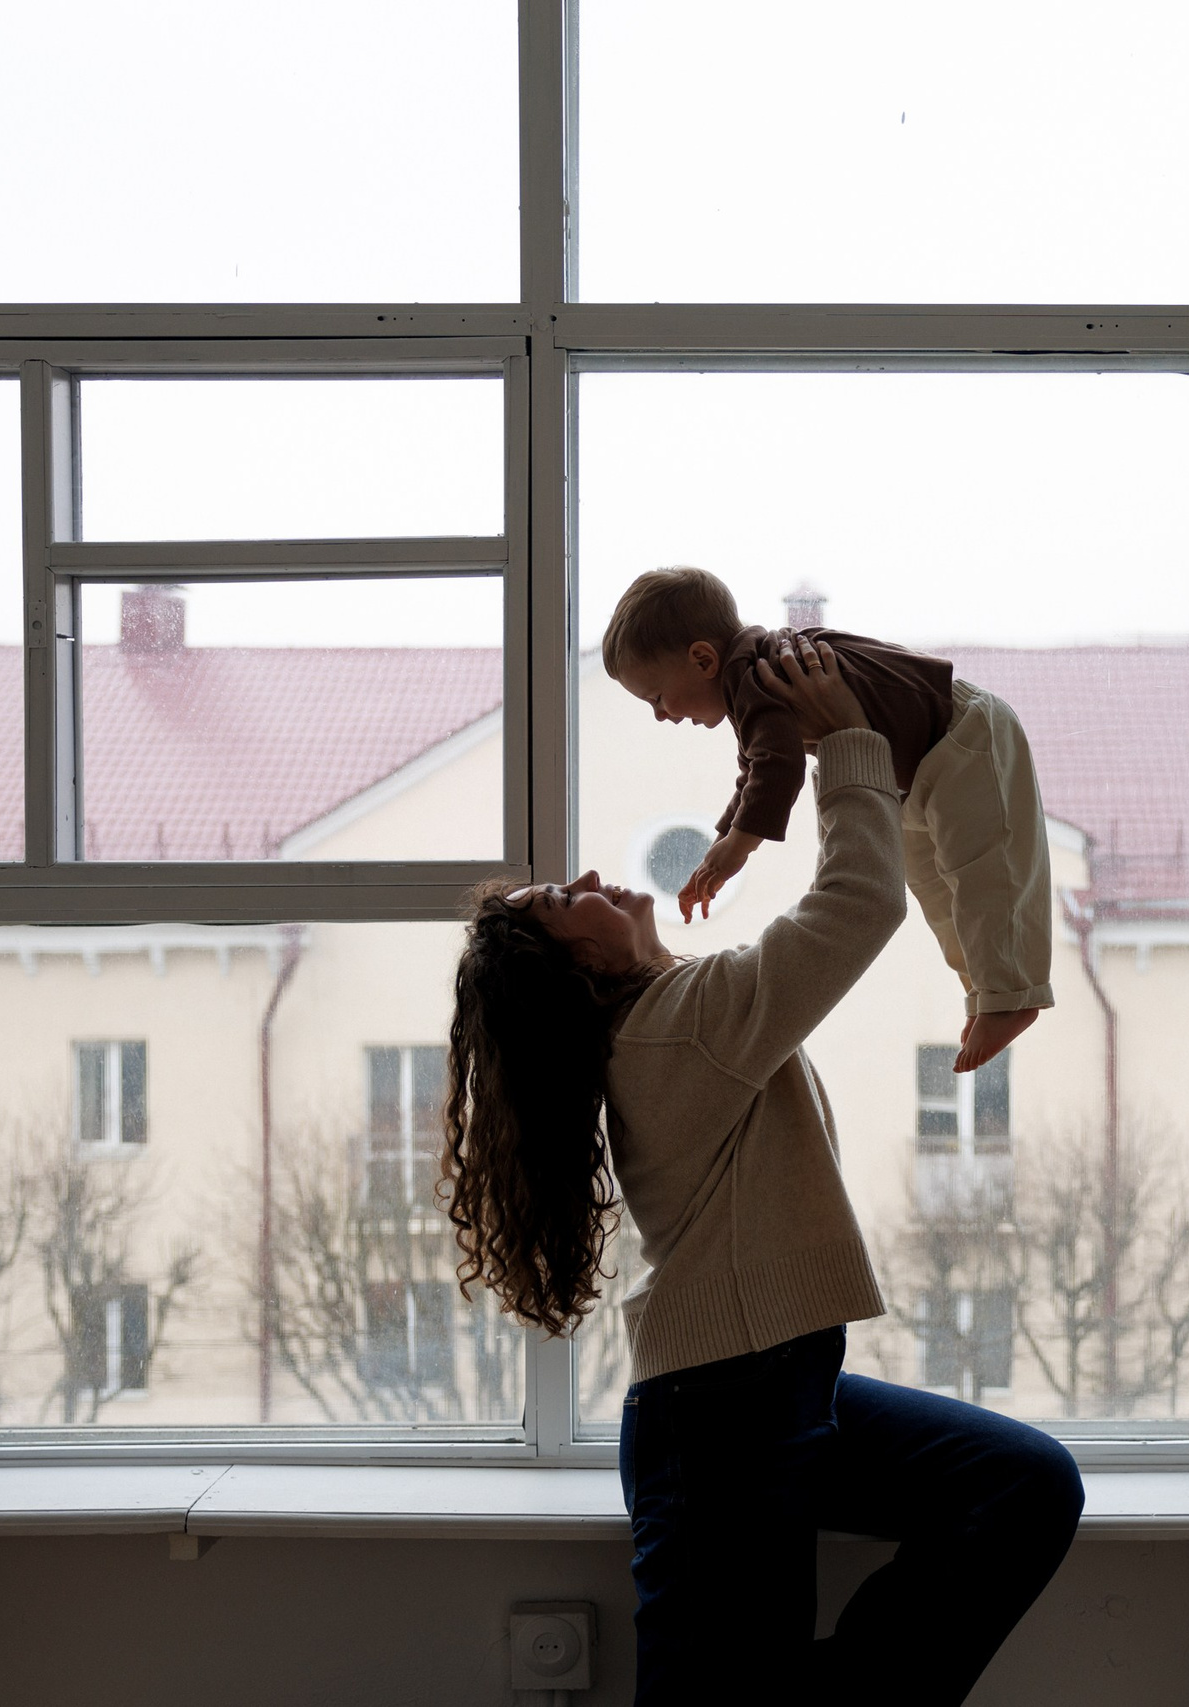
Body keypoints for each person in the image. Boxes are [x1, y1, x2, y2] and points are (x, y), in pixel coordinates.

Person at [441, 634, 1084, 1706]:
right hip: (723, 1415)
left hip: (775, 1389)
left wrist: (754, 821)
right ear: (575, 971)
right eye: (570, 897)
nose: (598, 878)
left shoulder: (679, 1015)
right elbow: (859, 903)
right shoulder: (676, 1028)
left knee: (1018, 1489)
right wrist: (850, 740)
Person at [600, 564, 1051, 1073]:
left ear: (703, 659)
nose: (660, 715)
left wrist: (738, 848)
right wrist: (722, 838)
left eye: (657, 698)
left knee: (986, 873)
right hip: (915, 772)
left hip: (962, 735)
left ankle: (1012, 995)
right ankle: (985, 991)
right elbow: (754, 771)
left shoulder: (759, 678)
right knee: (936, 887)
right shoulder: (750, 681)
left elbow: (780, 768)